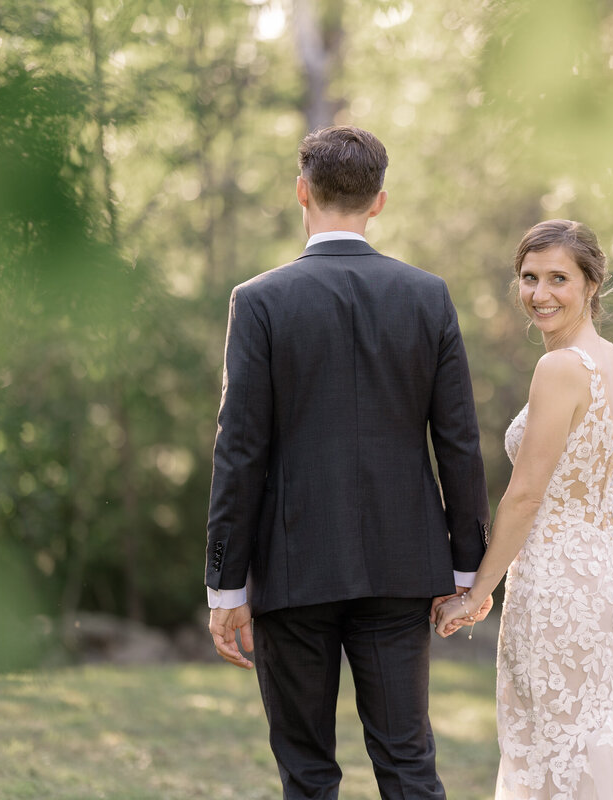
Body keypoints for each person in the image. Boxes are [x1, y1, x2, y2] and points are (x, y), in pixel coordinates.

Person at [204, 125, 493, 800]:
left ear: (301, 193)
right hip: (401, 568)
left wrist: (226, 586)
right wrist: (464, 567)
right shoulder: (427, 295)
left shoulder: (261, 300)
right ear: (379, 201)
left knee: (306, 772)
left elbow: (239, 449)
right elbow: (458, 440)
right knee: (406, 761)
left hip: (293, 566)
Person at [434, 219, 613, 799]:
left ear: (590, 285)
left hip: (558, 587)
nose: (540, 293)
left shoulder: (559, 368)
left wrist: (477, 593)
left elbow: (526, 495)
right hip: (609, 580)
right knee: (595, 737)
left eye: (559, 278)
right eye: (529, 278)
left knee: (558, 751)